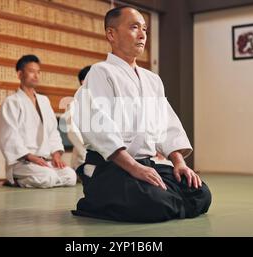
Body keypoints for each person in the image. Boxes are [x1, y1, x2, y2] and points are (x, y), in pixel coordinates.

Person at [70, 6, 211, 222]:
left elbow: (166, 124)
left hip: (146, 164)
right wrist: (133, 167)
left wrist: (179, 163)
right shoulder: (100, 72)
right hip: (110, 166)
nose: (143, 34)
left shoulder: (152, 79)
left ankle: (162, 199)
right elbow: (98, 128)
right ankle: (96, 200)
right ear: (111, 34)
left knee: (200, 192)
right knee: (155, 202)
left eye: (144, 28)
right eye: (134, 27)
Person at [0, 55, 77, 188]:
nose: (36, 75)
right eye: (32, 71)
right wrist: (29, 156)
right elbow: (8, 135)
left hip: (44, 161)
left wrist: (56, 155)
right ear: (20, 74)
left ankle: (44, 177)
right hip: (23, 161)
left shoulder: (44, 101)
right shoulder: (11, 102)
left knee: (70, 176)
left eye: (38, 72)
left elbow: (52, 131)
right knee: (48, 177)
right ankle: (17, 180)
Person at [65, 65, 91, 170]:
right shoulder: (72, 105)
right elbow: (72, 133)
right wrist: (86, 156)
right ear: (83, 81)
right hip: (83, 160)